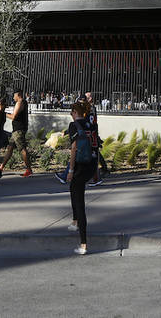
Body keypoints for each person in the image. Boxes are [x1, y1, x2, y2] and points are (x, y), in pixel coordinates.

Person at [66, 100, 96, 255]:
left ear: (75, 112)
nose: (71, 115)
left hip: (80, 166)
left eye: (71, 113)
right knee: (73, 189)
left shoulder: (74, 126)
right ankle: (75, 221)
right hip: (91, 165)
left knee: (79, 201)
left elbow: (74, 148)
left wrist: (70, 170)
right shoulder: (91, 124)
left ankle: (83, 244)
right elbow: (97, 146)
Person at [0, 90, 32, 178]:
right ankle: (1, 167)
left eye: (14, 95)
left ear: (18, 95)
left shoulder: (20, 103)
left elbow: (14, 117)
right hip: (16, 130)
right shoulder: (22, 102)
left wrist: (3, 113)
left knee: (22, 149)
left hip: (19, 130)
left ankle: (29, 169)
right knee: (9, 148)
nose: (13, 97)